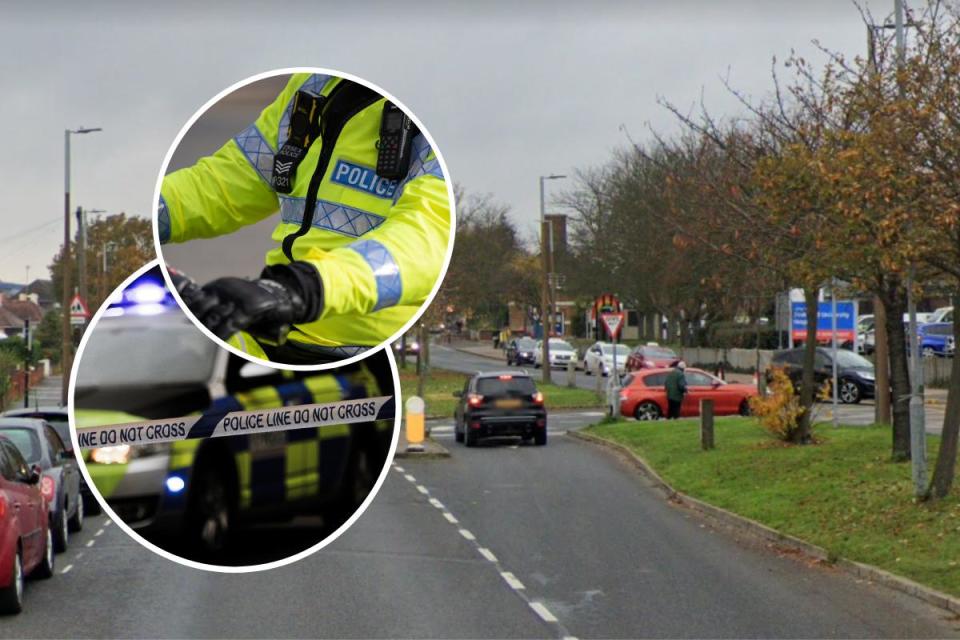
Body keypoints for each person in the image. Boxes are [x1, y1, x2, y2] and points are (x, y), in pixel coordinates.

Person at [159, 72, 450, 364]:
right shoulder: (313, 82)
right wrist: (152, 212)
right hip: (276, 319)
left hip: (359, 349)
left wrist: (303, 289)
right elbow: (232, 178)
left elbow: (426, 243)